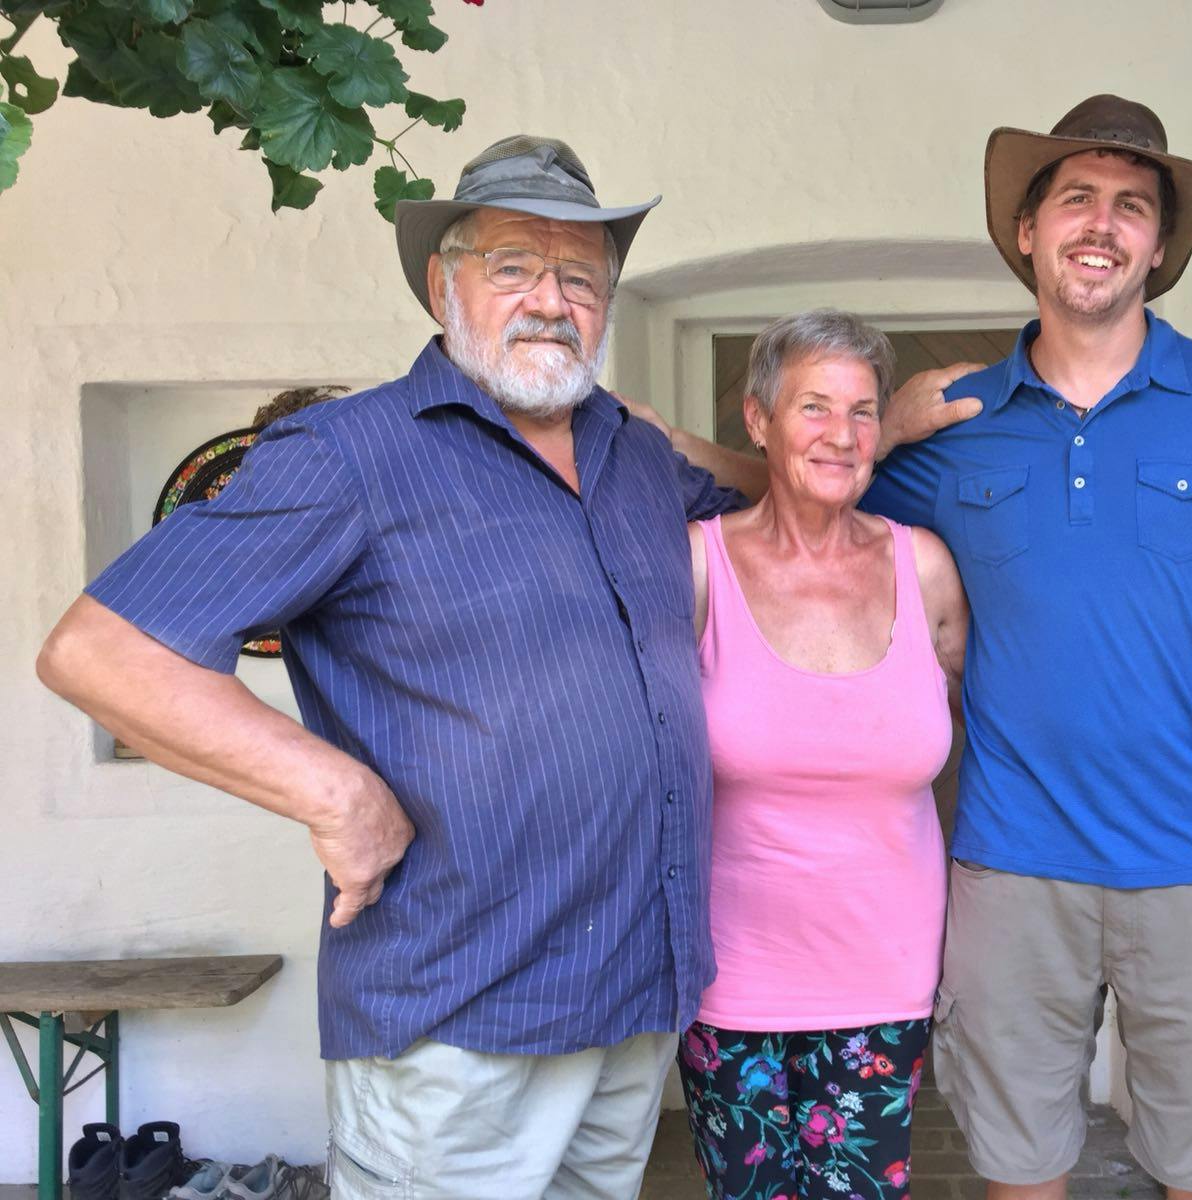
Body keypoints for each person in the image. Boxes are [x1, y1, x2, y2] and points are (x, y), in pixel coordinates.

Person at [638, 95, 1192, 1200]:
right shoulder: (960, 415)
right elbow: (799, 488)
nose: (1101, 226)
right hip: (1009, 862)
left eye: (1132, 207)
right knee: (1020, 1173)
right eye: (1075, 200)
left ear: (1161, 243)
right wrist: (874, 427)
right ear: (1026, 230)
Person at [37, 135, 744, 1199]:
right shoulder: (347, 456)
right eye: (512, 266)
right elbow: (103, 650)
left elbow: (780, 505)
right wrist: (335, 792)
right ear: (440, 285)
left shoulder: (636, 457)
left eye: (580, 277)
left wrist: (868, 436)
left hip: (632, 996)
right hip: (461, 1016)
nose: (549, 299)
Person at [672, 310, 966, 1200]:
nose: (841, 435)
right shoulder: (696, 567)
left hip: (885, 971)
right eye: (814, 407)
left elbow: (996, 710)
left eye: (864, 410)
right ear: (758, 420)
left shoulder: (924, 570)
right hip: (733, 977)